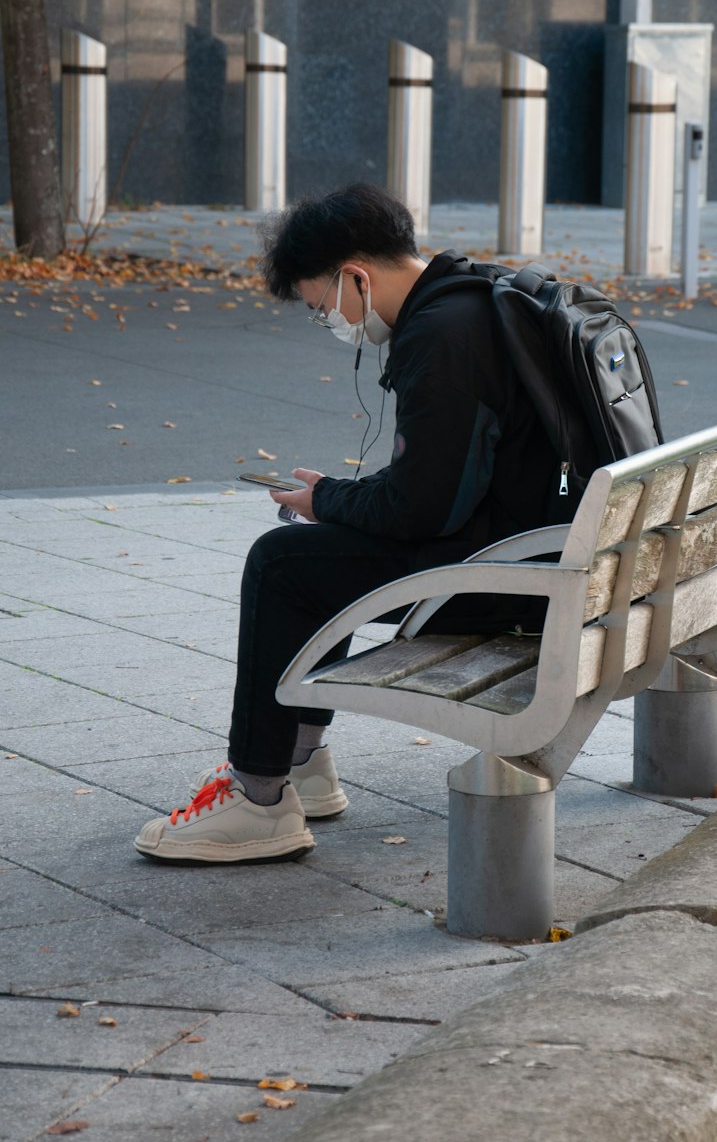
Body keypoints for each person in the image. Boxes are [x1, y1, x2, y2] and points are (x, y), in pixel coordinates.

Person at [134, 182, 565, 863]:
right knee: (314, 549)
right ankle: (302, 762)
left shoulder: (441, 337)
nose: (330, 321)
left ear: (356, 276)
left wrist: (327, 499)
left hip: (510, 582)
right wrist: (336, 501)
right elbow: (445, 483)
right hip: (543, 558)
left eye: (321, 305)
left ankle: (258, 797)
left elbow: (420, 508)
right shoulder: (478, 298)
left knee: (283, 564)